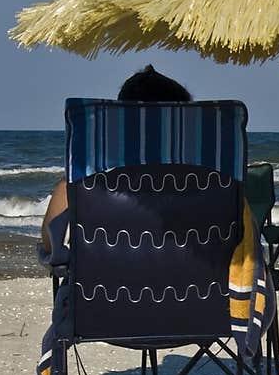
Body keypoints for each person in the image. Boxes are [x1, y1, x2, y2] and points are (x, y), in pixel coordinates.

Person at [40, 65, 191, 250]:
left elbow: (50, 242)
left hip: (98, 277)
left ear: (120, 120)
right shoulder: (209, 180)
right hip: (193, 277)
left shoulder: (88, 176)